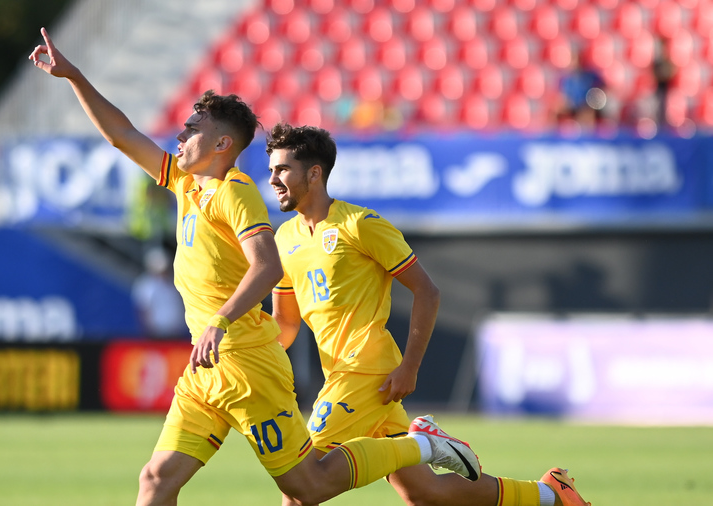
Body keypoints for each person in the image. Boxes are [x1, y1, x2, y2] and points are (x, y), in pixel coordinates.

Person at [28, 28, 482, 506]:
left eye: (192, 129)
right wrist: (73, 76)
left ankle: (424, 444)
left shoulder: (235, 190)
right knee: (156, 479)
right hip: (207, 366)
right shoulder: (187, 185)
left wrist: (221, 323)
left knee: (308, 486)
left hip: (246, 361)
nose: (180, 135)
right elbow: (122, 135)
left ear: (222, 144)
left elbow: (266, 267)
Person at [266, 123, 592, 506]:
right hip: (341, 371)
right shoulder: (284, 239)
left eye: (282, 169)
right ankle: (550, 495)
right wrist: (249, 355)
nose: (272, 179)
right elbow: (285, 323)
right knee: (427, 492)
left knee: (301, 487)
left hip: (364, 368)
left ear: (315, 173)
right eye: (272, 170)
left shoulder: (359, 224)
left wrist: (410, 367)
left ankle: (426, 442)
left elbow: (427, 291)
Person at [132, 246, 189, 339]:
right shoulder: (146, 285)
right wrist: (149, 330)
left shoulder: (175, 281)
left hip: (177, 332)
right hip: (157, 333)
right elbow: (143, 309)